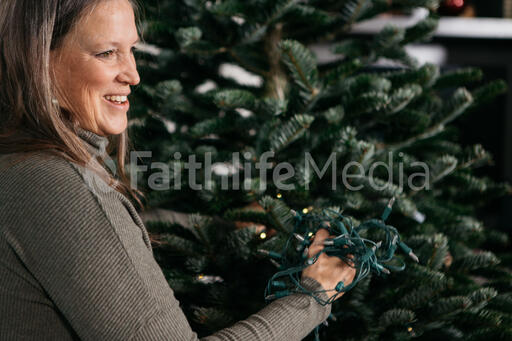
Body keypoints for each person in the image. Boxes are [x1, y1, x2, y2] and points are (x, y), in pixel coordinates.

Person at [0, 0, 356, 340]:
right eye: (107, 53)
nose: (133, 75)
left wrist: (220, 228)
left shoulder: (22, 167)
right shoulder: (60, 188)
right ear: (39, 62)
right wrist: (314, 294)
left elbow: (100, 244)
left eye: (132, 50)